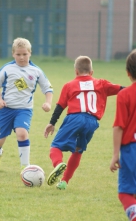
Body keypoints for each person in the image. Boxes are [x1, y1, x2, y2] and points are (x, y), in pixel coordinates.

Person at [44, 55, 124, 190]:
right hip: (92, 122)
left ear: (76, 71)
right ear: (92, 72)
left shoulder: (69, 85)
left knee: (55, 146)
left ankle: (58, 164)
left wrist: (52, 123)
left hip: (75, 118)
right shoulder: (101, 83)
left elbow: (60, 107)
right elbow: (122, 89)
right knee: (78, 150)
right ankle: (64, 182)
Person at [0, 37, 53, 171]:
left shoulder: (36, 71)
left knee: (22, 134)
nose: (22, 57)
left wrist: (48, 102)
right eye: (18, 54)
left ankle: (26, 168)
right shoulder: (7, 68)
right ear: (13, 54)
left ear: (30, 53)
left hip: (24, 110)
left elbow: (48, 88)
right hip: (5, 110)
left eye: (25, 54)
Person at [110, 49, 136, 221]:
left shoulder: (125, 95)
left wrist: (115, 155)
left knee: (126, 194)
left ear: (127, 72)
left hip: (132, 150)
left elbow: (119, 126)